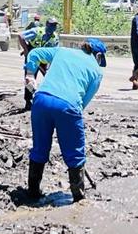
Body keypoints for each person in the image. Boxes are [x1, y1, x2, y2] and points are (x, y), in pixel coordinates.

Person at [25, 39, 107, 202]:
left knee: (39, 148)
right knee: (75, 152)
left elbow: (34, 53)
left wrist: (29, 74)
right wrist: (66, 122)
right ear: (98, 56)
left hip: (41, 100)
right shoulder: (97, 72)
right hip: (68, 106)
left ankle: (32, 193)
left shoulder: (62, 51)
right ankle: (78, 196)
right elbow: (83, 102)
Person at [19, 17, 59, 110]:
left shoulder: (55, 37)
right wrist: (25, 50)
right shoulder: (36, 32)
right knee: (29, 78)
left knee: (50, 78)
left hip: (44, 59)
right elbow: (21, 36)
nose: (53, 27)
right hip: (32, 58)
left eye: (55, 26)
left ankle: (50, 100)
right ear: (47, 24)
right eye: (51, 25)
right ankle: (28, 101)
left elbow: (55, 51)